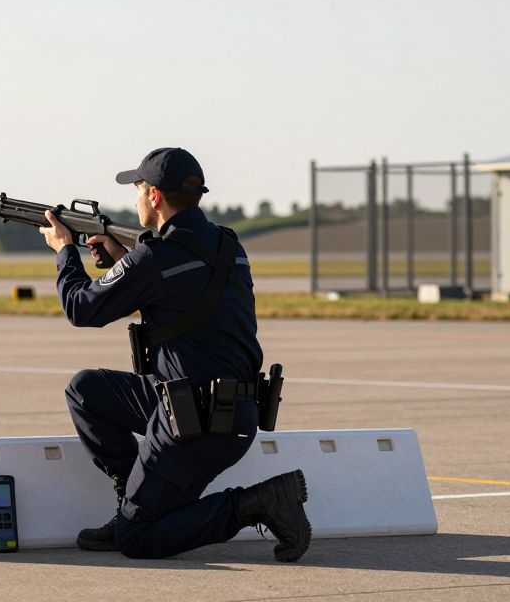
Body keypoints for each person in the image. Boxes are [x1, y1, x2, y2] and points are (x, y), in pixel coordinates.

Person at [37, 147, 311, 562]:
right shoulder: (229, 247)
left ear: (154, 197)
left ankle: (257, 503)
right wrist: (122, 261)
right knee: (86, 390)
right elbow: (176, 297)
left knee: (138, 539)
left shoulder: (154, 257)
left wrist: (63, 251)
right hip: (225, 409)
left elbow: (81, 308)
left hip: (194, 422)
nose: (134, 198)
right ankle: (133, 500)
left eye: (138, 188)